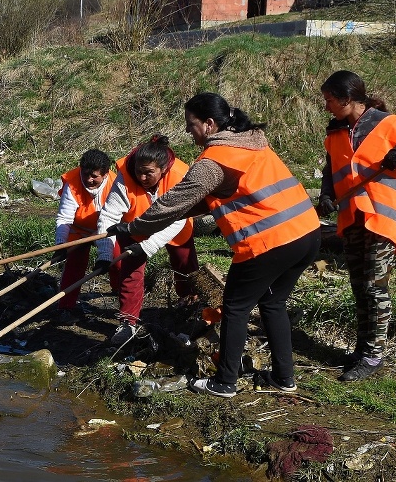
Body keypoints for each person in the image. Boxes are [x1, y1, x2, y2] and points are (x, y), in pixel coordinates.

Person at [114, 93, 322, 398]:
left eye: (191, 124)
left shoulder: (215, 160)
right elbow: (199, 203)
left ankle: (225, 382)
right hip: (307, 233)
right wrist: (150, 225)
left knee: (235, 308)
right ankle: (283, 377)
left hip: (268, 242)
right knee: (273, 303)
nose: (188, 131)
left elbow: (175, 202)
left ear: (209, 124)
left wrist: (134, 228)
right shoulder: (251, 143)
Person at [318, 70, 396, 382]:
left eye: (330, 100)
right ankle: (363, 348)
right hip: (353, 215)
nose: (326, 106)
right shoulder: (336, 133)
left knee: (373, 287)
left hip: (383, 215)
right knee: (360, 286)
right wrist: (327, 195)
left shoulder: (387, 124)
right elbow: (331, 171)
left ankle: (373, 354)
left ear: (347, 99)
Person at [97, 135, 199, 346]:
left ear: (163, 169)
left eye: (148, 173)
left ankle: (189, 306)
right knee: (130, 273)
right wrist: (105, 254)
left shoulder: (180, 176)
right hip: (134, 226)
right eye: (138, 171)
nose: (142, 177)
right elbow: (108, 216)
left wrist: (149, 246)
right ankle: (127, 322)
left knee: (185, 266)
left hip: (175, 226)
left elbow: (178, 220)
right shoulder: (125, 177)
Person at [53, 149, 117, 324]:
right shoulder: (73, 182)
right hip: (78, 229)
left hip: (108, 227)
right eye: (86, 174)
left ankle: (118, 289)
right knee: (74, 265)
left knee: (117, 259)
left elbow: (109, 222)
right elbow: (64, 218)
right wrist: (61, 246)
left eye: (94, 176)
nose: (89, 180)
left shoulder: (115, 184)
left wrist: (104, 257)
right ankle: (65, 307)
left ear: (105, 174)